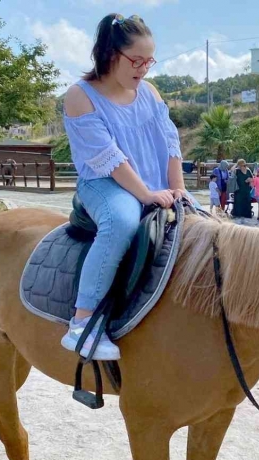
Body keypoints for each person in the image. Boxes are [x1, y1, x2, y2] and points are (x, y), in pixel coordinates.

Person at [61, 13, 185, 360]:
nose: (144, 69)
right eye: (137, 60)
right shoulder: (80, 95)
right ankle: (82, 323)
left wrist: (178, 188)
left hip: (156, 181)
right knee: (123, 222)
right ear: (110, 53)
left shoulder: (150, 93)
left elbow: (170, 142)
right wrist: (145, 194)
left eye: (149, 61)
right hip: (105, 183)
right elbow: (110, 158)